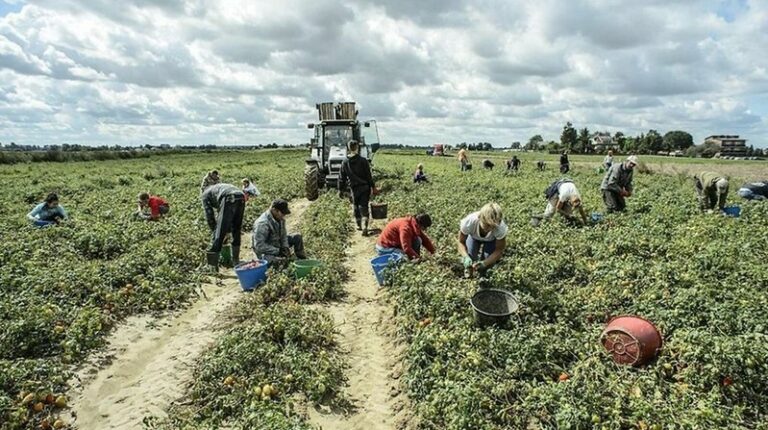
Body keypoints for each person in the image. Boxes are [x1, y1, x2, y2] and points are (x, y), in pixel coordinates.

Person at [458, 203, 507, 276]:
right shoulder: (469, 222)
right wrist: (465, 256)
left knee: (488, 262)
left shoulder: (500, 228)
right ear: (480, 218)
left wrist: (485, 263)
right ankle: (469, 275)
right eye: (487, 225)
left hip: (491, 241)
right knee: (470, 257)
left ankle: (483, 277)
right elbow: (461, 242)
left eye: (493, 226)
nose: (490, 229)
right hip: (473, 238)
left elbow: (499, 250)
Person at [202, 183, 245, 266]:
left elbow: (209, 216)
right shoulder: (216, 189)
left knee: (220, 230)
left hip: (229, 196)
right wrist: (227, 231)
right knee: (236, 228)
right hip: (241, 196)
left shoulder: (205, 195)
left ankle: (213, 266)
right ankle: (236, 260)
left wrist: (215, 232)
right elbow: (226, 215)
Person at [252, 199, 306, 265]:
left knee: (297, 237)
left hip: (277, 244)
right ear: (274, 210)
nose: (284, 215)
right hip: (266, 251)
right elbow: (259, 246)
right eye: (282, 213)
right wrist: (278, 251)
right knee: (281, 262)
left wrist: (285, 247)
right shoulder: (262, 224)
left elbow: (283, 236)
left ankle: (302, 260)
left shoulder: (280, 219)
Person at [339, 140, 375, 235]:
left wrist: (340, 189)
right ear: (357, 148)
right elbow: (368, 176)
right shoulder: (363, 161)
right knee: (364, 206)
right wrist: (373, 187)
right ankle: (365, 227)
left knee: (355, 206)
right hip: (364, 188)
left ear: (348, 148)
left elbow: (341, 178)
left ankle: (359, 225)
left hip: (354, 189)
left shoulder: (345, 162)